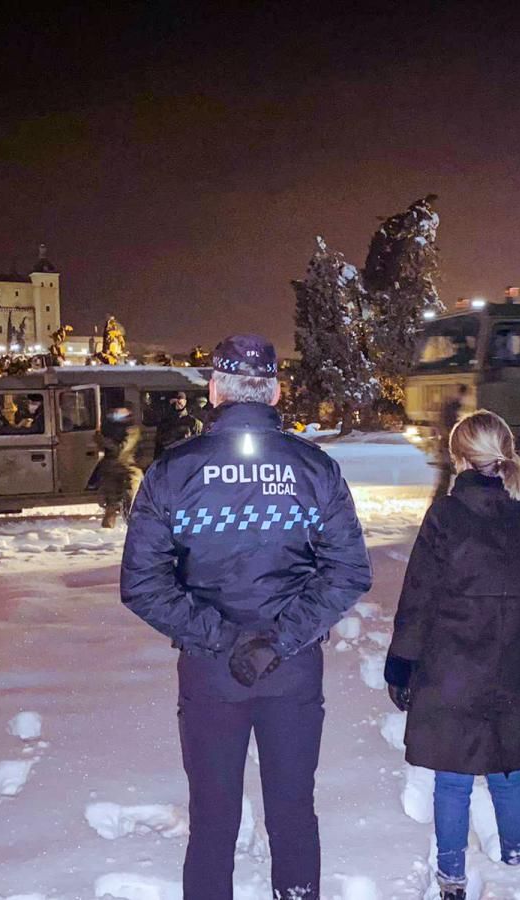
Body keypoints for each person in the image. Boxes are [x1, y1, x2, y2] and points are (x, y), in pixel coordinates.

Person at [121, 334, 372, 900]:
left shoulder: (174, 472)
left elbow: (143, 583)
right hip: (290, 668)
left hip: (213, 671)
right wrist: (277, 640)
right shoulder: (314, 468)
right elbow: (347, 571)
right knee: (292, 810)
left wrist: (225, 639)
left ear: (215, 391)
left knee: (212, 818)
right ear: (276, 390)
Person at [384, 410, 520, 900]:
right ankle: (516, 862)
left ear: (459, 456)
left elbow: (418, 597)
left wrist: (402, 662)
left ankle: (452, 876)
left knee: (453, 776)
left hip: (451, 664)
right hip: (515, 663)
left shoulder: (447, 515)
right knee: (507, 771)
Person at [97, 402, 142, 528]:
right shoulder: (109, 428)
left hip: (128, 469)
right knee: (111, 502)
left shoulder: (131, 430)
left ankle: (136, 529)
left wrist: (103, 441)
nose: (116, 413)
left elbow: (121, 449)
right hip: (110, 468)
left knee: (130, 500)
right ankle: (107, 532)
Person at [432, 384, 469, 502]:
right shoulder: (451, 408)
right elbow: (447, 429)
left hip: (447, 448)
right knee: (447, 478)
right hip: (447, 449)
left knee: (446, 478)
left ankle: (439, 501)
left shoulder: (450, 407)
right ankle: (438, 502)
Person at [154, 391, 204, 458]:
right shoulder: (164, 423)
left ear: (185, 402)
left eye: (179, 401)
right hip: (169, 457)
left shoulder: (195, 422)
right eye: (174, 401)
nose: (177, 404)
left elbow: (200, 443)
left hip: (188, 457)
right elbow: (159, 445)